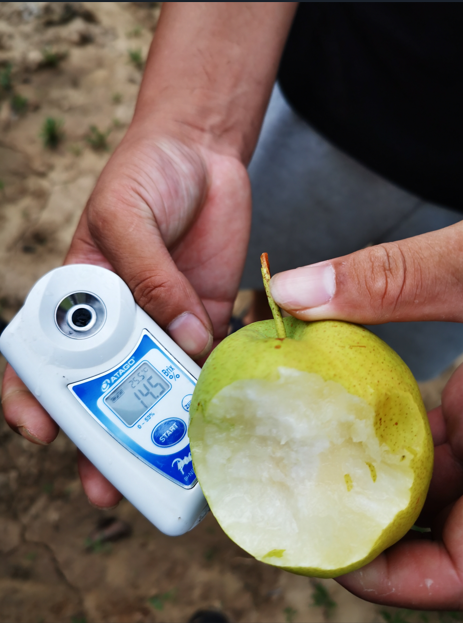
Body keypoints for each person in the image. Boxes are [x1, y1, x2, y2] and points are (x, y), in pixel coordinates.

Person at [2, 3, 463, 610]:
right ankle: (251, 322)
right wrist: (194, 127)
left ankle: (257, 329)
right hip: (329, 90)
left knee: (382, 330)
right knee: (242, 263)